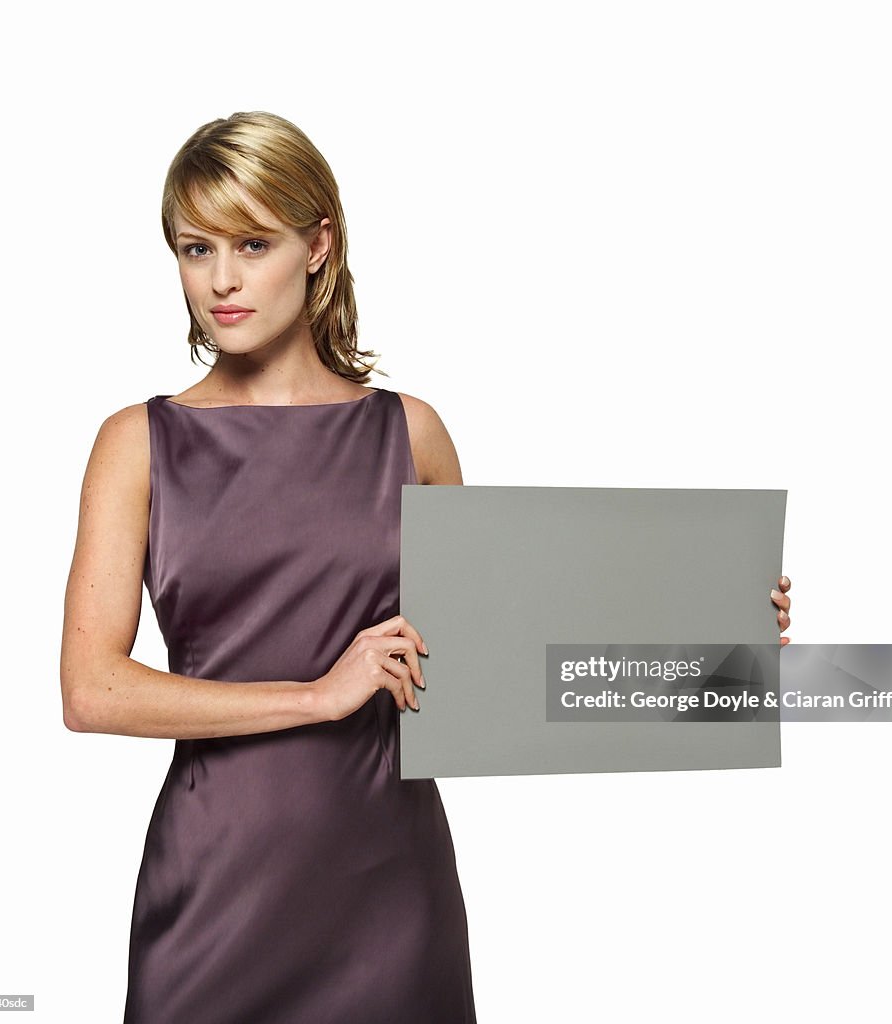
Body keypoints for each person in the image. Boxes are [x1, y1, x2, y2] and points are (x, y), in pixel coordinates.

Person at [60, 110, 793, 1024]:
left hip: (387, 888)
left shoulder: (409, 432)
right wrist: (315, 695)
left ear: (319, 243)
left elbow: (497, 661)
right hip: (214, 883)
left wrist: (718, 626)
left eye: (254, 242)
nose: (223, 280)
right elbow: (91, 690)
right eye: (195, 248)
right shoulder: (138, 443)